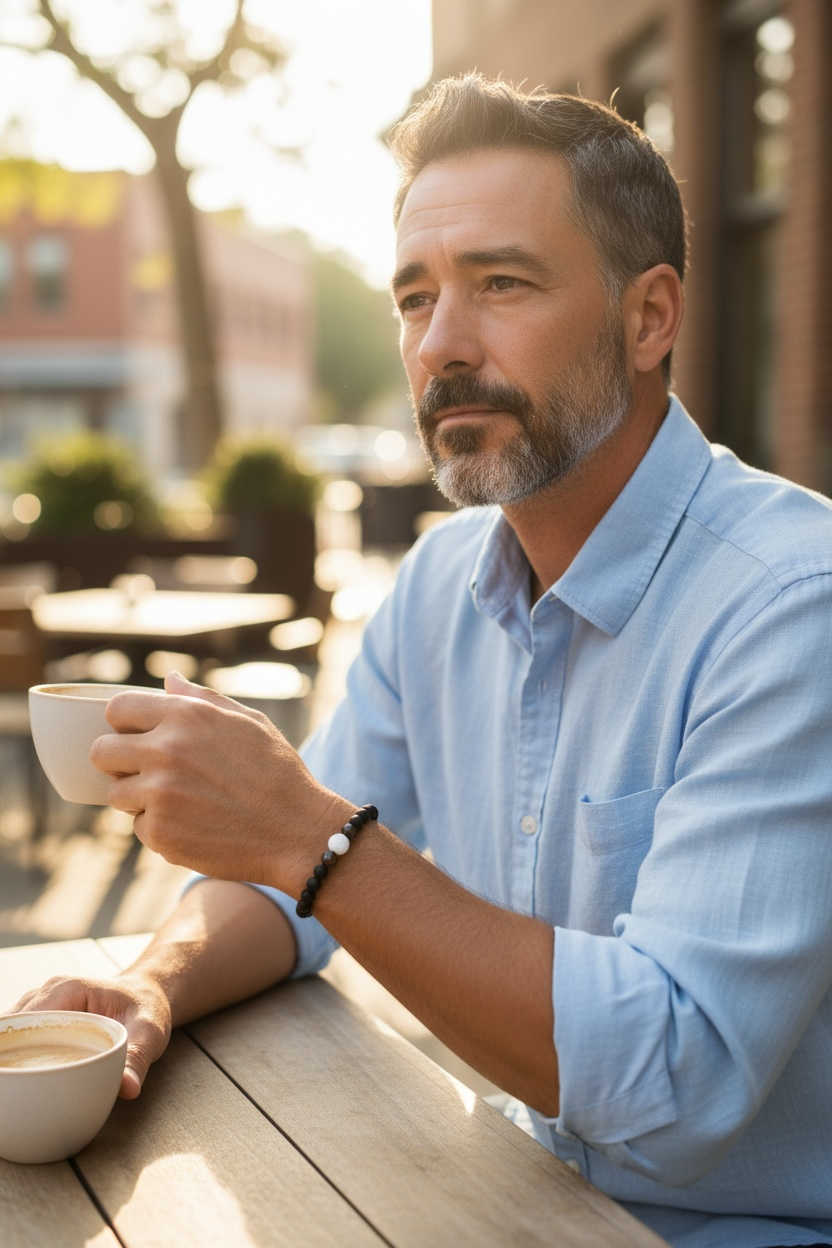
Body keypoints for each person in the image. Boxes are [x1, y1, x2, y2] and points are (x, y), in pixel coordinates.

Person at [15, 75, 832, 1248]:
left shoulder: (790, 605)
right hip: (512, 1195)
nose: (439, 345)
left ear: (649, 318)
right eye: (413, 297)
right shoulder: (439, 586)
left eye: (501, 283)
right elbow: (288, 882)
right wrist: (156, 979)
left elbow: (675, 1078)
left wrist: (311, 837)